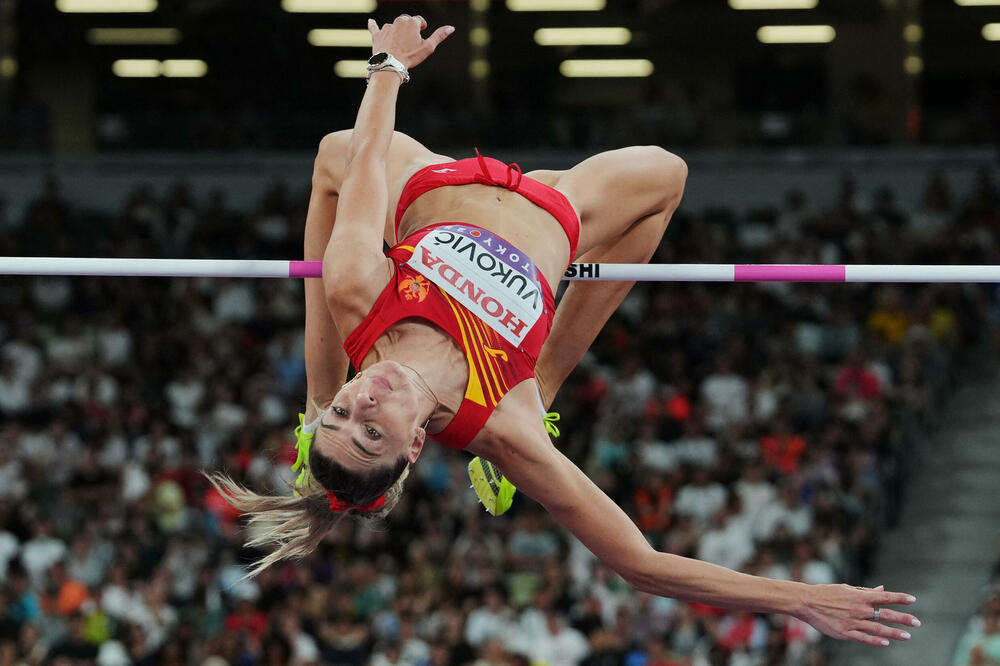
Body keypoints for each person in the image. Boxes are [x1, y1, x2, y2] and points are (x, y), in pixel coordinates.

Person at [210, 14, 920, 648]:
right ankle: (541, 384)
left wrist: (388, 68)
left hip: (433, 182)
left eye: (341, 411)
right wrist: (804, 600)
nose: (361, 405)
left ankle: (355, 395)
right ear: (416, 444)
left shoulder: (360, 298)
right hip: (558, 207)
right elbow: (641, 564)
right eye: (369, 432)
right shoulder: (503, 428)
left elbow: (365, 160)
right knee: (667, 176)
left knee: (337, 153)